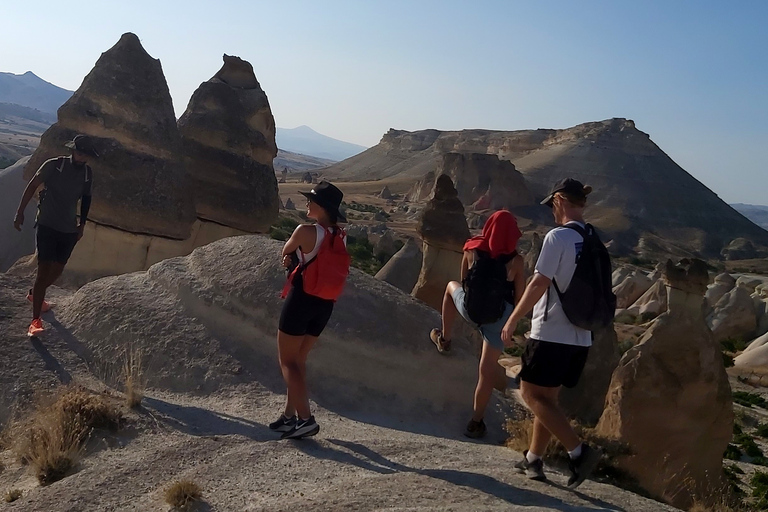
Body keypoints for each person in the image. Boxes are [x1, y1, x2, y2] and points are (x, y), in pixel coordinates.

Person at [500, 178, 602, 487]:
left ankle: (579, 451)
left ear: (559, 200)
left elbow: (539, 282)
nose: (551, 213)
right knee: (548, 401)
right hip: (581, 334)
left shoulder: (558, 237)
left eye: (551, 206)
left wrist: (513, 318)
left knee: (530, 393)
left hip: (551, 331)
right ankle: (533, 459)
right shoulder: (593, 237)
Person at [429, 210, 526, 439]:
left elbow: (463, 280)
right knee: (486, 372)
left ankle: (445, 338)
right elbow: (520, 297)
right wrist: (511, 324)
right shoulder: (516, 261)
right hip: (498, 320)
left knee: (451, 288)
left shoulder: (471, 248)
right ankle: (475, 423)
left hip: (471, 311)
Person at [271, 181, 348, 440]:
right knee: (299, 360)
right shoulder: (341, 237)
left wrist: (289, 260)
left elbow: (286, 252)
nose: (306, 203)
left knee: (287, 361)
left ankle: (305, 419)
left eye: (310, 200)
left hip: (302, 300)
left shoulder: (305, 231)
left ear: (321, 207)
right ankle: (289, 417)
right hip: (325, 306)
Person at [13, 135, 98, 337]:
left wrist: (82, 224)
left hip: (68, 228)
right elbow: (33, 185)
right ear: (72, 151)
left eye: (85, 154)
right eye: (79, 152)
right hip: (47, 225)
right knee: (43, 271)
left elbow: (86, 198)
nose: (81, 157)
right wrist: (20, 211)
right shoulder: (54, 165)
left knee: (58, 270)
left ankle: (35, 295)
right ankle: (35, 321)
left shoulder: (87, 173)